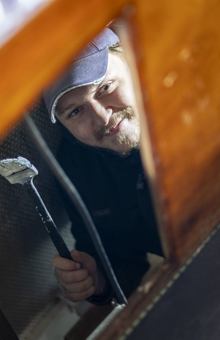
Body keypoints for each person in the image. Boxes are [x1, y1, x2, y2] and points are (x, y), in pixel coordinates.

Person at [44, 28, 163, 305]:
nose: (101, 118)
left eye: (105, 88)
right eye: (75, 112)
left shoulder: (192, 102)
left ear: (133, 62)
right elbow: (116, 257)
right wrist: (97, 280)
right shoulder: (76, 168)